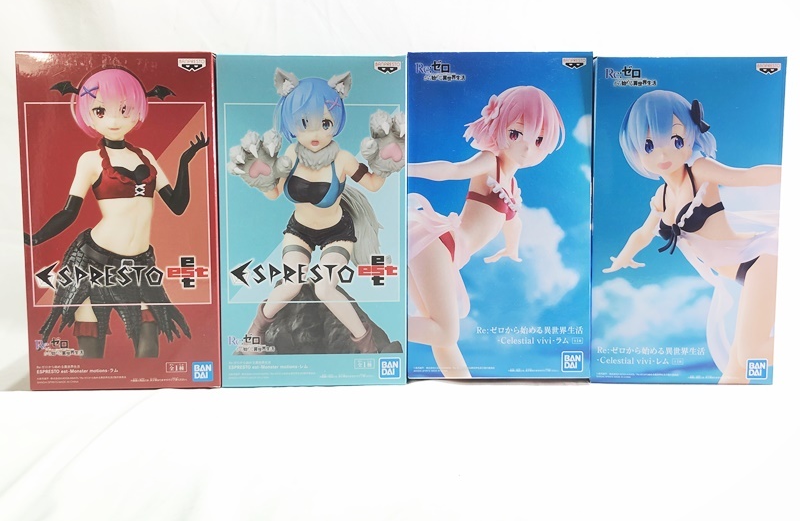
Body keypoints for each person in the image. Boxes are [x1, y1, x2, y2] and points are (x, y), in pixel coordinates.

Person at [26, 67, 207, 358]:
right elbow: (69, 212)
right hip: (91, 263)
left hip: (140, 265)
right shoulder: (89, 160)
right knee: (91, 352)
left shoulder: (146, 157)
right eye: (100, 110)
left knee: (149, 346)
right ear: (87, 113)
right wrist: (35, 238)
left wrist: (185, 160)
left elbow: (177, 205)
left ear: (139, 109)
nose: (113, 120)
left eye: (124, 110)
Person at [603, 90, 780, 383]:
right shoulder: (661, 197)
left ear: (691, 136)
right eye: (649, 145)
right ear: (635, 151)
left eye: (675, 140)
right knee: (735, 372)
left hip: (759, 261)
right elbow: (643, 233)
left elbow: (747, 176)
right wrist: (623, 257)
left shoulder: (699, 172)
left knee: (750, 354)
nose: (662, 155)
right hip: (740, 274)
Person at [229, 68, 401, 354]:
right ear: (291, 123)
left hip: (337, 232)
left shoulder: (342, 159)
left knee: (324, 288)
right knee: (291, 284)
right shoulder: (291, 156)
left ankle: (367, 344)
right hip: (300, 230)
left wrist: (386, 163)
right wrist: (259, 178)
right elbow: (273, 193)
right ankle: (253, 334)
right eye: (304, 123)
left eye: (325, 123)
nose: (316, 133)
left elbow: (373, 184)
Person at [408, 86, 565, 377]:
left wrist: (511, 249)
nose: (527, 148)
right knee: (445, 332)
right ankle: (372, 323)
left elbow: (513, 223)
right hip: (441, 244)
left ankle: (463, 387)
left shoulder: (511, 186)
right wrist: (407, 168)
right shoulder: (490, 162)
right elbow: (452, 170)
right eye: (516, 134)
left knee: (441, 336)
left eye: (539, 140)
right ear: (498, 126)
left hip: (448, 254)